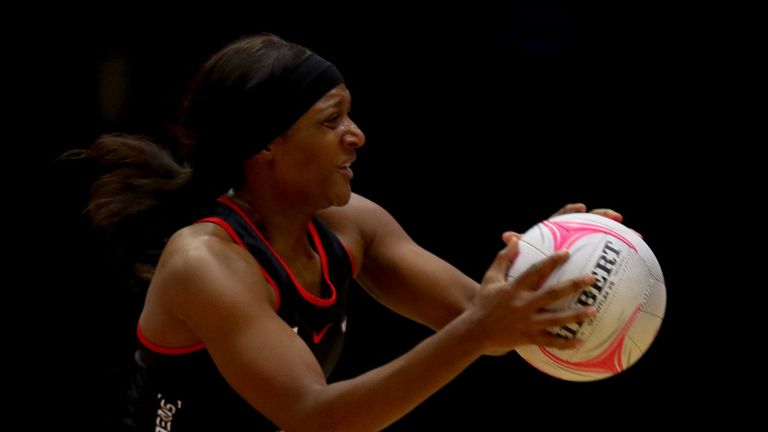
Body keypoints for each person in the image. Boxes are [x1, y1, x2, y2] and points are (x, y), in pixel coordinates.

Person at [68, 33, 621, 431]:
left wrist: (563, 265)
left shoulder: (352, 223)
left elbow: (479, 317)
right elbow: (312, 417)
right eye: (331, 120)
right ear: (265, 144)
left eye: (350, 116)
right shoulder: (206, 262)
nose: (356, 136)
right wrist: (481, 329)